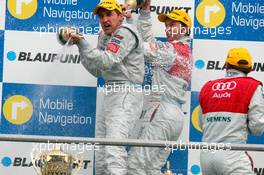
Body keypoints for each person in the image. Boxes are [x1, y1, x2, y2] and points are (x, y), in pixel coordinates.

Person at [64, 0, 144, 174]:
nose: (104, 19)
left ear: (120, 16)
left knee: (113, 148)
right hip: (111, 93)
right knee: (101, 150)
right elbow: (97, 70)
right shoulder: (104, 36)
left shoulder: (125, 31)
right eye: (101, 16)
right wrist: (80, 46)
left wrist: (84, 43)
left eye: (109, 14)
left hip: (126, 93)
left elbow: (107, 61)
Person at [125, 0, 193, 174]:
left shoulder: (171, 50)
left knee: (135, 165)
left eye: (173, 25)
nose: (168, 28)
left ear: (185, 29)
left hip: (162, 113)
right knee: (152, 169)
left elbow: (141, 48)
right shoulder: (184, 51)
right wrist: (146, 12)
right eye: (167, 25)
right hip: (176, 117)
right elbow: (149, 42)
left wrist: (128, 23)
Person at [198, 48, 264, 175]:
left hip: (206, 156)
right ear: (250, 68)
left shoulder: (207, 87)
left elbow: (202, 125)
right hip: (233, 154)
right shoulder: (252, 86)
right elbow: (257, 128)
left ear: (227, 65)